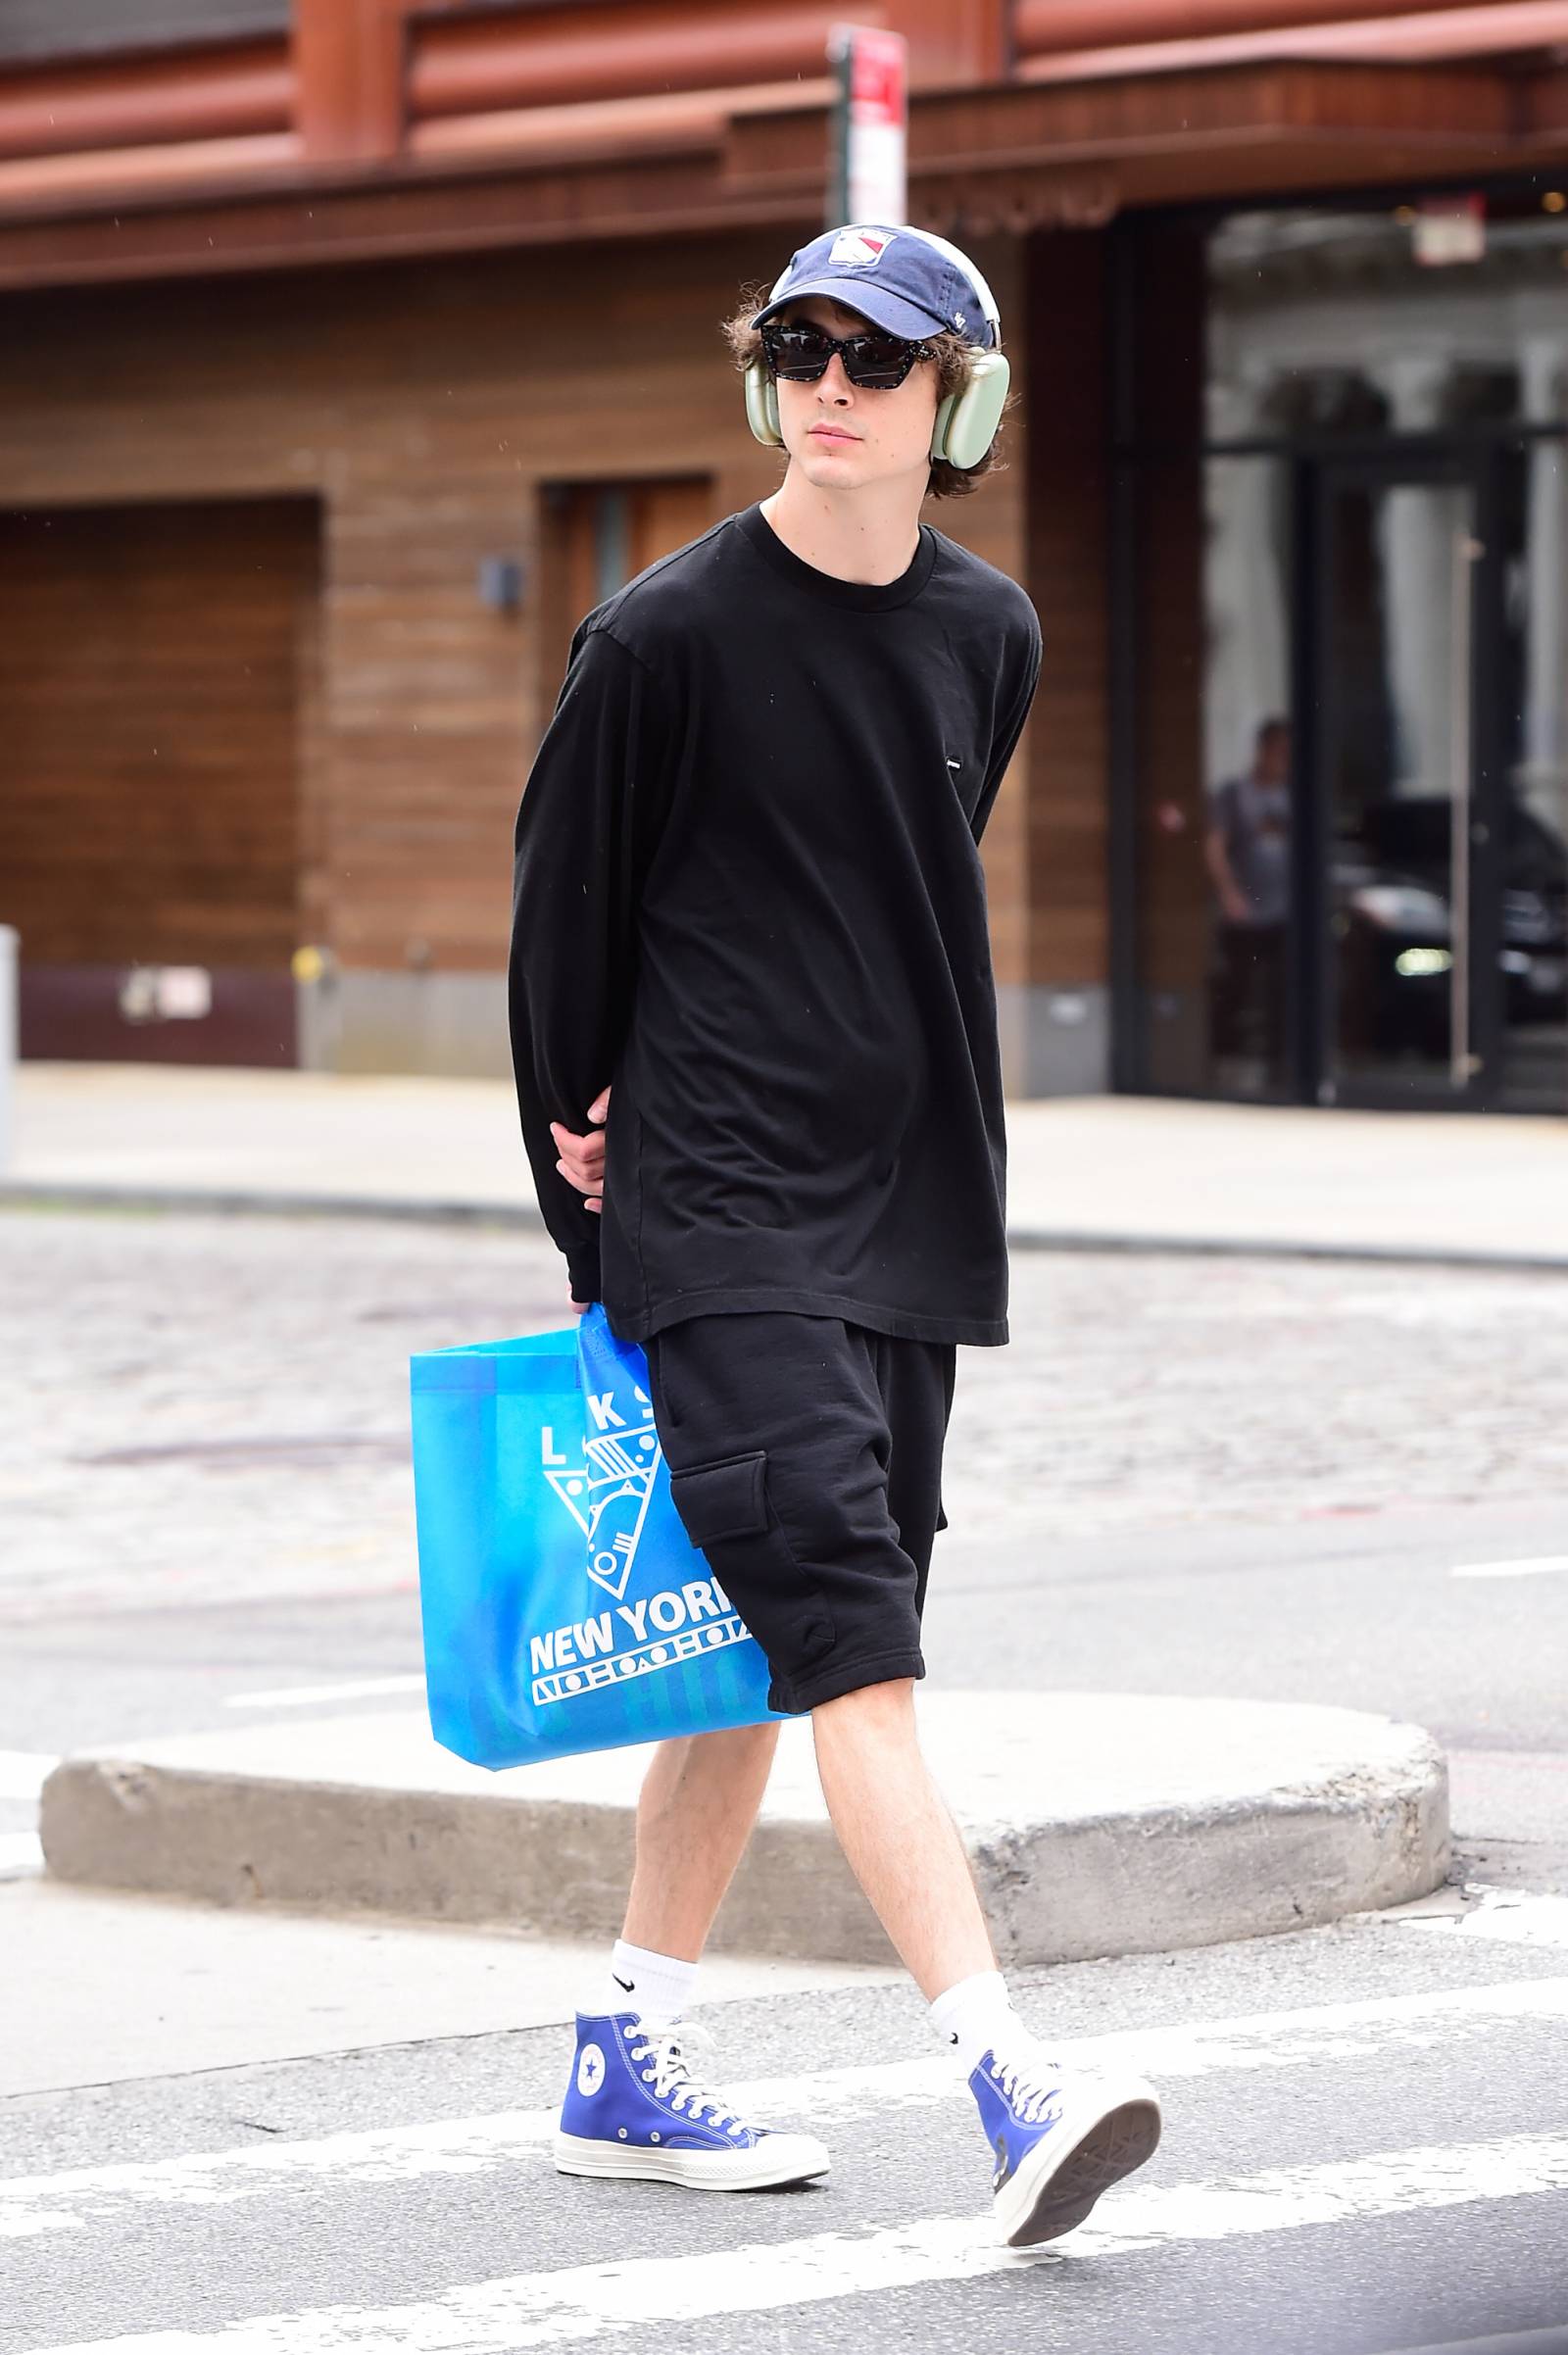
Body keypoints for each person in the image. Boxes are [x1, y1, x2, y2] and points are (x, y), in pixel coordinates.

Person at [509, 222, 1162, 2248]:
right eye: (797, 348)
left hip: (904, 1218)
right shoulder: (664, 636)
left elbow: (884, 893)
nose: (832, 383)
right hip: (716, 1215)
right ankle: (1004, 2079)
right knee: (858, 1649)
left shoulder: (990, 632)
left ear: (953, 399)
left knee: (761, 1644)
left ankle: (626, 2042)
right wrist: (593, 1203)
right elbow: (564, 927)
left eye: (878, 358)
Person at [1205, 716, 1292, 1080]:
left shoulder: (1292, 795)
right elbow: (1214, 846)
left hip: (1284, 912)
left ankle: (1281, 1066)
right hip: (1245, 912)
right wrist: (1229, 893)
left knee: (1281, 991)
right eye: (1277, 750)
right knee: (1238, 989)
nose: (1281, 759)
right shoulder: (1236, 793)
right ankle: (1227, 1064)